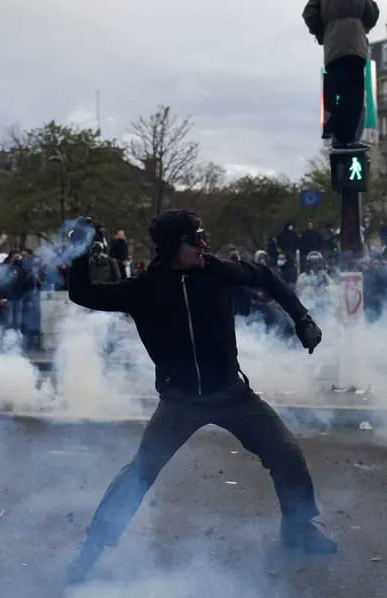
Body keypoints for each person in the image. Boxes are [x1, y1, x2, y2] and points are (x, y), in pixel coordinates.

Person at [64, 210, 334, 585]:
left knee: (286, 453)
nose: (204, 245)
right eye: (195, 240)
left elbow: (266, 277)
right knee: (140, 472)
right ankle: (91, 550)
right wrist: (78, 252)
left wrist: (301, 317)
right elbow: (83, 294)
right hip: (180, 400)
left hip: (231, 393)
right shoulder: (144, 287)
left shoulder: (217, 271)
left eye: (203, 236)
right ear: (175, 247)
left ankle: (299, 528)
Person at [303, 0, 379, 150]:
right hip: (353, 45)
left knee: (337, 91)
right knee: (353, 94)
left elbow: (309, 13)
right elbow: (371, 14)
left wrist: (322, 33)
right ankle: (346, 138)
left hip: (332, 48)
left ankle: (335, 133)